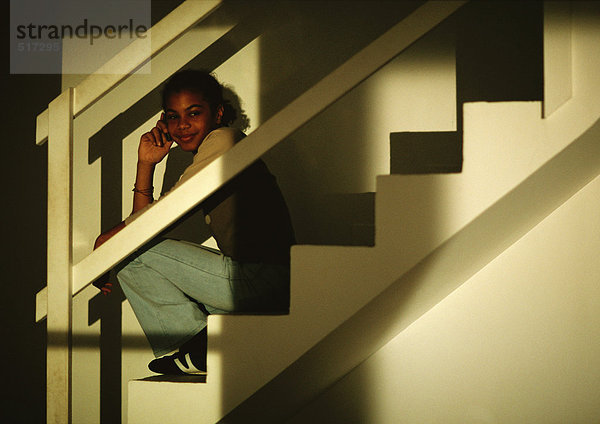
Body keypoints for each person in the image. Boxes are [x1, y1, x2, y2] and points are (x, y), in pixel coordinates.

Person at [93, 70, 295, 375]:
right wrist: (146, 163)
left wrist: (106, 244)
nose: (182, 125)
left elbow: (159, 218)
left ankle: (199, 347)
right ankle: (200, 347)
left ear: (219, 113)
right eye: (173, 117)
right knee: (130, 251)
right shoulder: (214, 148)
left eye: (194, 113)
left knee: (128, 252)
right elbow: (144, 228)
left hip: (262, 281)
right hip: (255, 287)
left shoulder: (225, 140)